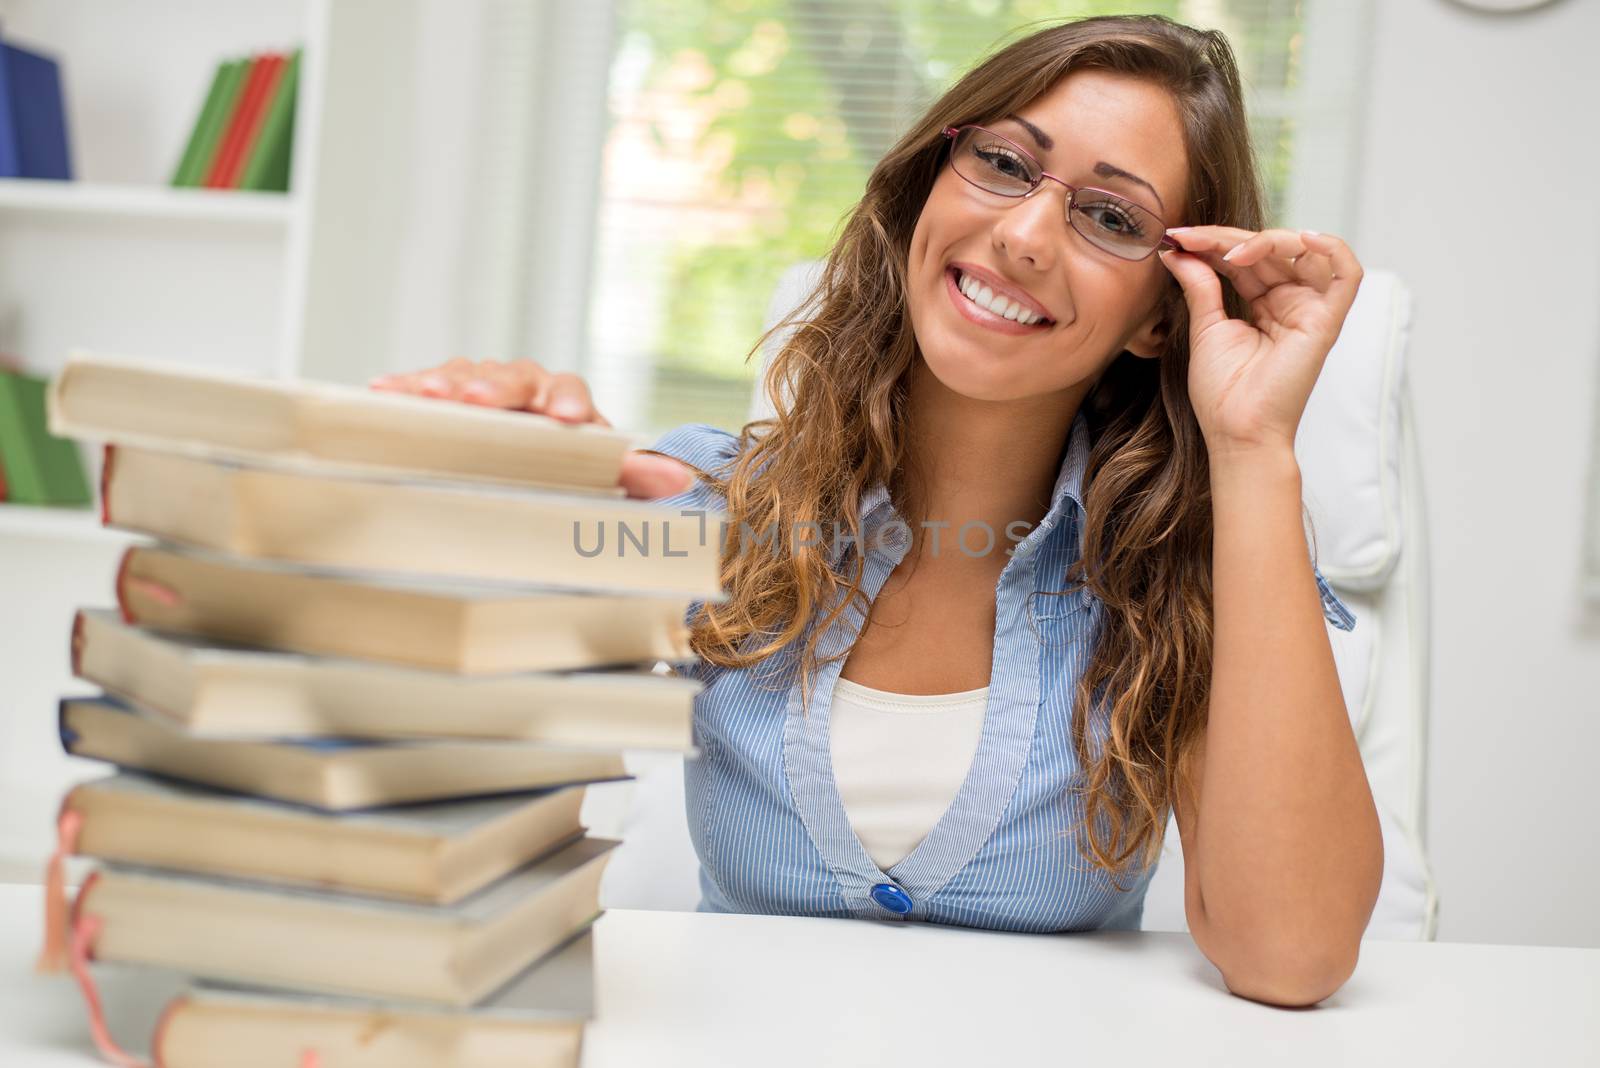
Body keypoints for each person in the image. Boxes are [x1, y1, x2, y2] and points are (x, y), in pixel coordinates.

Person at [371, 13, 1382, 1007]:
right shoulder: (706, 509)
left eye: (1110, 218)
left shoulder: (1182, 580)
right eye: (1001, 162)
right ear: (926, 187)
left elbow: (1288, 955)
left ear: (1161, 318)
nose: (1024, 235)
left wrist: (1251, 448)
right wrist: (466, 501)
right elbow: (403, 789)